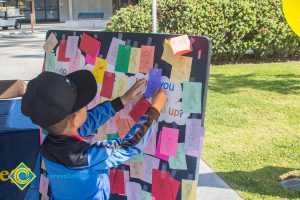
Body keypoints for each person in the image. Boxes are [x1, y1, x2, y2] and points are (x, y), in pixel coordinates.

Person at [21, 70, 167, 200]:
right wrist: (155, 109)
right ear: (75, 119)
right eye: (83, 104)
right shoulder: (87, 156)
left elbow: (85, 123)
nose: (86, 106)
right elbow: (128, 146)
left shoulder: (49, 143)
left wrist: (121, 101)